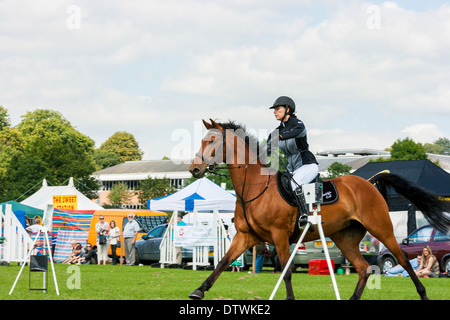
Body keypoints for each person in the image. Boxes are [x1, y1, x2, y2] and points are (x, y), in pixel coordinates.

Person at [267, 96, 319, 228]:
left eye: (278, 109)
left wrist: (281, 136)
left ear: (288, 109)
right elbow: (265, 148)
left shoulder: (298, 124)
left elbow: (299, 131)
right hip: (291, 168)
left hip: (307, 165)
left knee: (295, 184)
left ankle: (305, 215)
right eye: (274, 110)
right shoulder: (277, 131)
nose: (275, 112)